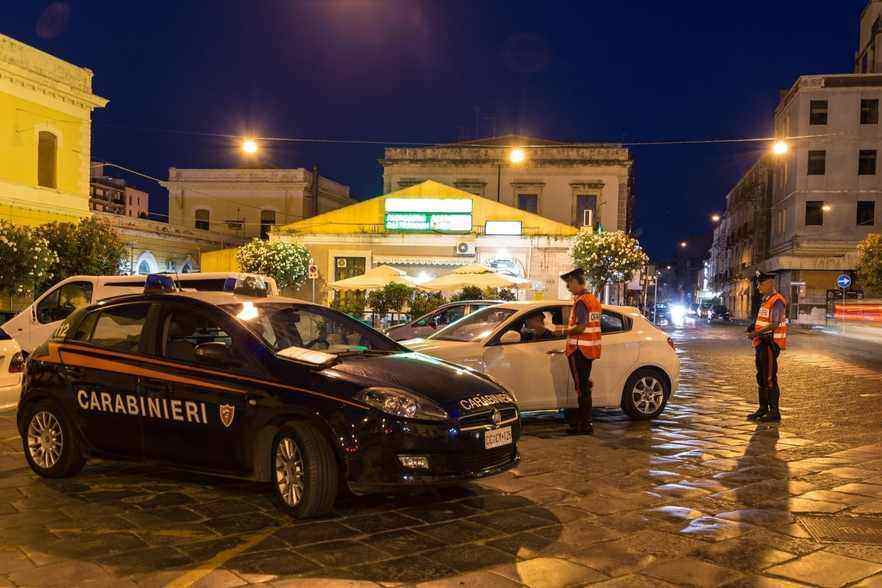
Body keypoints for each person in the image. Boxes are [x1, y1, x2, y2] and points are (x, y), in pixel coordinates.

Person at [559, 268, 602, 435]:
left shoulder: (582, 302)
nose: (568, 287)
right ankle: (584, 422)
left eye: (569, 283)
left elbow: (581, 327)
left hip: (579, 349)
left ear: (577, 281)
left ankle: (584, 425)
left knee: (581, 387)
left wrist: (562, 331)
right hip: (589, 349)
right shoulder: (593, 300)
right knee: (584, 386)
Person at [746, 272, 788, 422]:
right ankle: (763, 409)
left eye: (760, 284)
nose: (758, 287)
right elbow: (764, 320)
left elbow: (775, 323)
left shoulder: (777, 301)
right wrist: (753, 327)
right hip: (761, 343)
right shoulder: (766, 300)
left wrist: (756, 332)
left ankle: (774, 412)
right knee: (761, 377)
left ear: (769, 283)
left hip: (770, 344)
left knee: (769, 378)